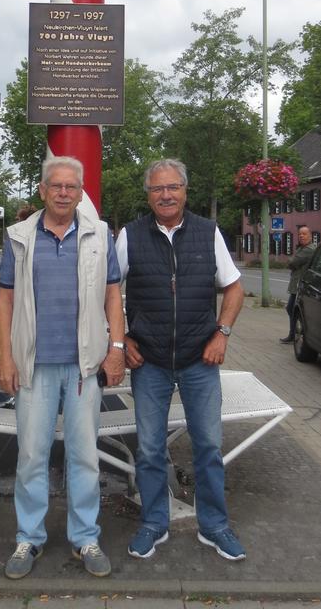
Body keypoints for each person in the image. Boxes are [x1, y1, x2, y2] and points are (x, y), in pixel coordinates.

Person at [0, 156, 125, 579]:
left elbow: (112, 295)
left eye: (72, 187)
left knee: (85, 455)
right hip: (33, 365)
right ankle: (28, 537)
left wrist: (116, 348)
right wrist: (7, 356)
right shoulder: (18, 236)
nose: (65, 193)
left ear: (80, 191)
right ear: (43, 189)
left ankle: (85, 537)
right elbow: (5, 300)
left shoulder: (98, 235)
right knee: (31, 454)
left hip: (83, 367)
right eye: (57, 186)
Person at [115, 158, 246, 562]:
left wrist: (222, 334)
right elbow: (106, 292)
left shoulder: (208, 234)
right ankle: (154, 523)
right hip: (149, 361)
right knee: (151, 449)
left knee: (208, 445)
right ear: (148, 195)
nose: (166, 195)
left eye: (172, 187)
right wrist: (120, 341)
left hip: (199, 360)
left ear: (185, 191)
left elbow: (235, 288)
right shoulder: (129, 236)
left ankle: (215, 526)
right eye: (157, 189)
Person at [280, 226, 316, 343]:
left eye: (304, 234)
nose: (301, 236)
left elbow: (293, 262)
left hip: (300, 286)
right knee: (292, 309)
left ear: (310, 236)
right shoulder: (303, 248)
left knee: (292, 309)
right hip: (297, 285)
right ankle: (295, 333)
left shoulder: (309, 249)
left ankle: (296, 334)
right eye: (300, 234)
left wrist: (291, 261)